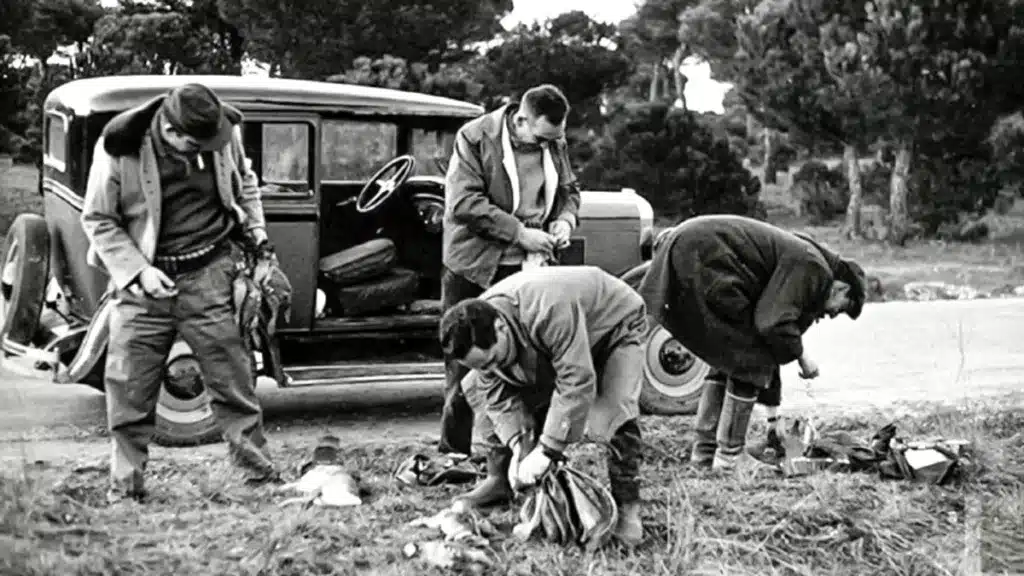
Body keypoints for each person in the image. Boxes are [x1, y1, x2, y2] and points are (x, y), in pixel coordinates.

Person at [82, 82, 281, 503]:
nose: (207, 149)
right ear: (171, 132)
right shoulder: (120, 148)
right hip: (145, 286)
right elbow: (99, 219)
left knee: (234, 381)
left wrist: (256, 231)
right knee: (129, 387)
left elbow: (245, 182)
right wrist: (138, 272)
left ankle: (257, 476)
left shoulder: (222, 131)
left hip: (211, 273)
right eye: (196, 144)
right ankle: (126, 489)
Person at [639, 215, 867, 472]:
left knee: (731, 357)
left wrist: (772, 417)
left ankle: (704, 453)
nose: (830, 315)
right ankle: (730, 456)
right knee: (747, 357)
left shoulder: (807, 257)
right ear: (841, 289)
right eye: (840, 310)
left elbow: (769, 337)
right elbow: (771, 326)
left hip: (691, 247)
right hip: (703, 255)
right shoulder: (814, 269)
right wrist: (802, 356)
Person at [439, 266, 646, 545]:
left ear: (500, 327)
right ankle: (499, 479)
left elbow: (576, 378)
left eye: (490, 360)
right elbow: (497, 396)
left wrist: (548, 448)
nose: (490, 369)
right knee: (477, 386)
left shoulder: (548, 310)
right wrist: (518, 448)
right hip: (553, 336)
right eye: (481, 364)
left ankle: (627, 506)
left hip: (613, 325)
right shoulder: (482, 324)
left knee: (615, 408)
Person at [439, 84, 582, 459]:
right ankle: (456, 450)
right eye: (540, 138)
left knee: (530, 359)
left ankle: (525, 448)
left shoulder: (554, 140)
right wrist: (520, 233)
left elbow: (569, 190)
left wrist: (565, 220)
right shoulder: (473, 138)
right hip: (477, 264)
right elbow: (464, 203)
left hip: (530, 268)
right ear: (520, 120)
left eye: (554, 140)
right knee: (467, 356)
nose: (546, 146)